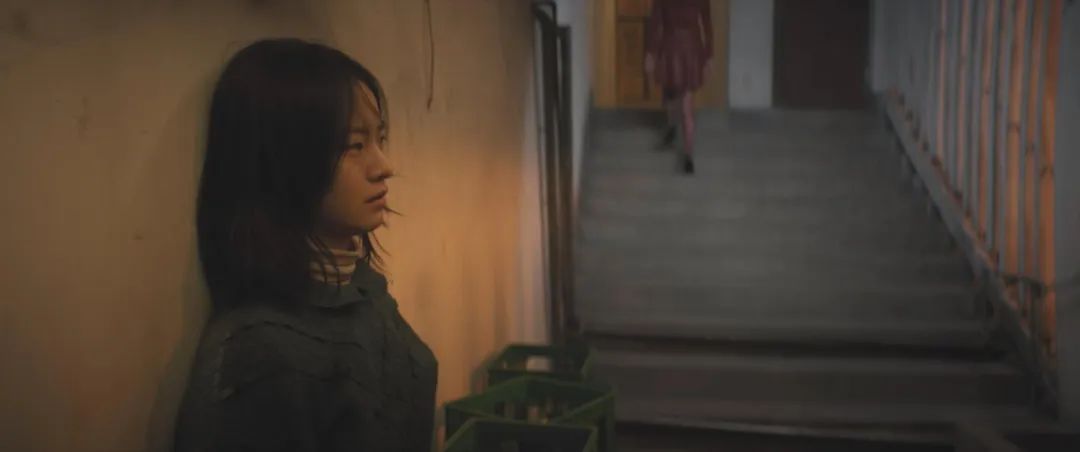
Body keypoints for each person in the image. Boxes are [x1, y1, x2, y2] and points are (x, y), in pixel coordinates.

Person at [173, 38, 437, 452]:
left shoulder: (359, 287)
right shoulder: (259, 354)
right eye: (355, 145)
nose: (384, 167)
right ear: (284, 160)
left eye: (380, 139)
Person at [645, 0, 713, 175]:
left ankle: (676, 136)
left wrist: (651, 53)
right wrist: (708, 56)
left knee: (678, 98)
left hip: (674, 48)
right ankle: (686, 152)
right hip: (688, 49)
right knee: (680, 99)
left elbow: (655, 24)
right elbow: (707, 26)